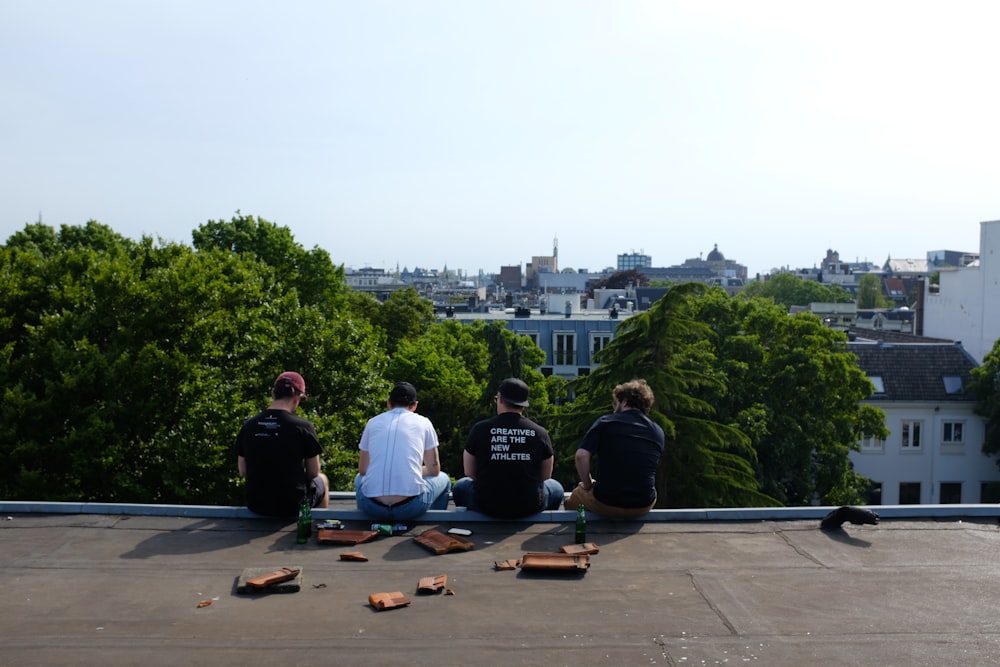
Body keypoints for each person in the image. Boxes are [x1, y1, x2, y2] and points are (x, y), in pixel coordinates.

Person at [453, 378, 564, 518]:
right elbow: (546, 476)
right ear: (524, 404)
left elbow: (469, 471)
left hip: (486, 504)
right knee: (557, 488)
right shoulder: (540, 432)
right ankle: (542, 521)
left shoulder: (480, 429)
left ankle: (471, 520)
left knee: (460, 486)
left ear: (499, 399)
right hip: (529, 505)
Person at [565, 379, 665, 518]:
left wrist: (588, 485)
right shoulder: (657, 431)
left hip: (606, 502)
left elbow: (581, 456)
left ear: (624, 402)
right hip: (643, 505)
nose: (614, 408)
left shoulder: (606, 422)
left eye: (615, 403)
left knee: (574, 498)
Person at [236, 371, 330, 517]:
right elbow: (313, 472)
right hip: (292, 505)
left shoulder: (249, 425)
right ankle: (314, 525)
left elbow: (243, 471)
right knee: (322, 479)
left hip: (257, 504)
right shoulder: (303, 427)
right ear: (297, 398)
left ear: (273, 393)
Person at [354, 382, 451, 521]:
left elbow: (363, 470)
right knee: (445, 479)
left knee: (359, 479)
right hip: (410, 507)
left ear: (389, 403)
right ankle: (432, 524)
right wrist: (412, 470)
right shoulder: (424, 422)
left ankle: (364, 523)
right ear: (415, 405)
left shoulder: (372, 423)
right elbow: (434, 470)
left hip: (373, 506)